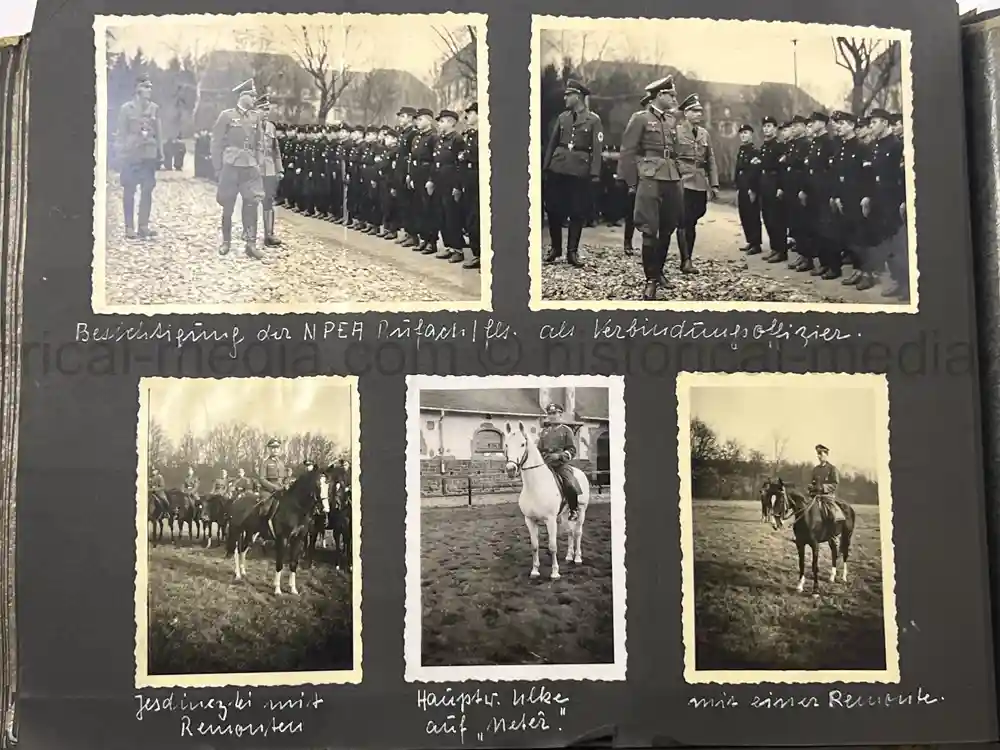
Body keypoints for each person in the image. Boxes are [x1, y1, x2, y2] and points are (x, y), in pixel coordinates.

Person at [618, 76, 686, 300]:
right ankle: (650, 280)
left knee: (668, 227)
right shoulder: (640, 119)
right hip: (650, 178)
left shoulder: (670, 121)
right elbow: (628, 151)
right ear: (660, 95)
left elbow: (674, 151)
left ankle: (659, 272)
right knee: (650, 228)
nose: (675, 99)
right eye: (672, 95)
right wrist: (631, 182)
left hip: (671, 177)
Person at [542, 79, 604, 268]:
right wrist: (546, 167)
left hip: (579, 171)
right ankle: (555, 248)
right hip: (558, 168)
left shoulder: (593, 120)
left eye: (568, 95)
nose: (565, 98)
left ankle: (572, 252)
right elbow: (552, 143)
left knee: (577, 212)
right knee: (553, 209)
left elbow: (597, 148)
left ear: (578, 96)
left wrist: (594, 174)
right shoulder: (562, 118)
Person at [210, 78, 266, 259]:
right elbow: (216, 142)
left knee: (252, 203)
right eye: (252, 95)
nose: (254, 99)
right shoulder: (226, 116)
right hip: (231, 165)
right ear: (243, 96)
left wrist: (258, 162)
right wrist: (218, 167)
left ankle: (250, 244)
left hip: (249, 166)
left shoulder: (256, 117)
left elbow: (259, 142)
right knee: (228, 204)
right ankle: (226, 242)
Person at [674, 93, 718, 273]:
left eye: (700, 111)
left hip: (699, 181)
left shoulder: (704, 134)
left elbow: (711, 159)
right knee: (684, 221)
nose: (699, 114)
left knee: (695, 216)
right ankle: (686, 260)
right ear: (686, 113)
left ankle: (687, 258)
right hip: (682, 181)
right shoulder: (676, 132)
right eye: (694, 111)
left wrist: (714, 184)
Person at [116, 74, 163, 240]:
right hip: (131, 154)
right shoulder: (126, 109)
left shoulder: (154, 108)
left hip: (149, 154)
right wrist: (120, 153)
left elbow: (158, 133)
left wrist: (160, 154)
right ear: (137, 89)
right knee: (129, 190)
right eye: (145, 87)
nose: (149, 90)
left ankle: (143, 226)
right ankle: (129, 227)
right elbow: (121, 133)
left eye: (150, 87)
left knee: (147, 190)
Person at [430, 109, 467, 262]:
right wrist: (431, 179)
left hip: (450, 181)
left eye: (442, 121)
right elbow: (435, 161)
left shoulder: (457, 140)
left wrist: (457, 186)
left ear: (452, 122)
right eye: (439, 121)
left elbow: (460, 164)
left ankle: (458, 249)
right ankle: (448, 246)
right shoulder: (440, 139)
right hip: (439, 181)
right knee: (442, 215)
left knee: (452, 216)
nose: (439, 124)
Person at [538, 403, 581, 521]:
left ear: (560, 414)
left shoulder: (566, 431)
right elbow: (538, 450)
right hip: (546, 465)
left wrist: (559, 455)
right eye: (550, 414)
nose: (552, 416)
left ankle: (573, 509)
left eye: (554, 413)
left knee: (569, 485)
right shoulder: (544, 432)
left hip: (561, 464)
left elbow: (572, 450)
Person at [756, 115, 787, 261]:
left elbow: (782, 169)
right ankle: (774, 248)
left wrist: (780, 187)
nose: (766, 129)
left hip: (775, 182)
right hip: (765, 182)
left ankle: (781, 250)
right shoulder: (764, 147)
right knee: (767, 217)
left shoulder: (779, 146)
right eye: (765, 126)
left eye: (769, 126)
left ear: (775, 129)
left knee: (777, 218)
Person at [257, 92, 284, 248]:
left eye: (267, 110)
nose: (266, 113)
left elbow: (276, 151)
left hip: (269, 170)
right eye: (263, 110)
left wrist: (279, 169)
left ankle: (269, 234)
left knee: (269, 201)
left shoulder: (271, 127)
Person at [733, 123, 762, 255]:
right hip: (742, 187)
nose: (743, 135)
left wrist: (753, 189)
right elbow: (738, 169)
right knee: (744, 215)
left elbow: (755, 171)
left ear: (751, 135)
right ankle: (750, 240)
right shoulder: (742, 150)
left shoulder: (754, 151)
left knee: (753, 215)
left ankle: (756, 243)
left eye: (746, 133)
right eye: (742, 133)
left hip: (750, 187)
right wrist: (738, 186)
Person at [458, 102, 481, 269]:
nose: (468, 117)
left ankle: (482, 254)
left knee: (478, 217)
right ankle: (476, 253)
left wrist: (465, 156)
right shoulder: (470, 135)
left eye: (471, 113)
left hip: (478, 176)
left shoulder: (483, 134)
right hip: (468, 177)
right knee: (470, 216)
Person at [256, 437, 288, 539]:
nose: (275, 450)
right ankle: (262, 530)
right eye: (272, 448)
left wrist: (286, 484)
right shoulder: (265, 463)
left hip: (281, 490)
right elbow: (262, 479)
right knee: (265, 509)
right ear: (269, 449)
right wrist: (274, 488)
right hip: (268, 491)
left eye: (277, 448)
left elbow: (284, 478)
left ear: (280, 449)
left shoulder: (282, 463)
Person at [810, 444, 845, 524]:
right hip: (815, 497)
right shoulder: (815, 469)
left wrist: (822, 487)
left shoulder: (832, 469)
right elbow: (813, 482)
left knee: (834, 516)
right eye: (818, 454)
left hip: (828, 497)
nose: (819, 456)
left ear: (826, 455)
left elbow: (835, 484)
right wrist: (811, 487)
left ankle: (835, 534)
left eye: (821, 454)